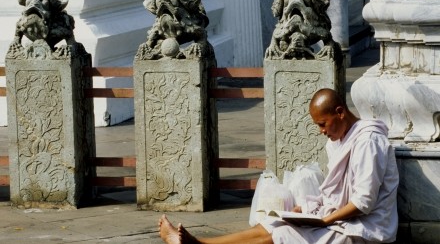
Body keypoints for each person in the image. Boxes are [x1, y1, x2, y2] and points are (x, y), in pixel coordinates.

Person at [158, 88, 399, 244]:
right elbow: (334, 194)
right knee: (273, 223)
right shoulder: (340, 140)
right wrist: (305, 210)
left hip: (365, 229)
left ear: (340, 112)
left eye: (323, 124)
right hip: (338, 218)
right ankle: (198, 243)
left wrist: (324, 221)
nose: (322, 132)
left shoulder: (369, 141)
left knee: (282, 234)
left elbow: (363, 203)